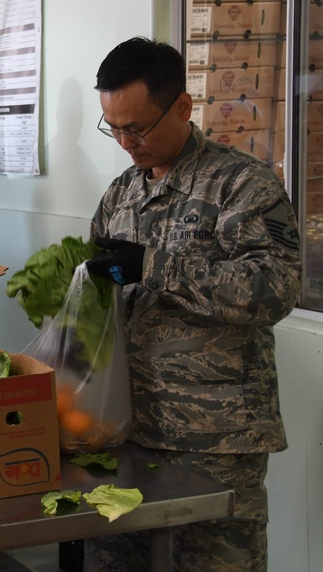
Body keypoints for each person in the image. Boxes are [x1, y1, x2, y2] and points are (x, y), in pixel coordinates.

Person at [83, 37, 301, 571]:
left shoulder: (242, 185)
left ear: (182, 106)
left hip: (215, 440)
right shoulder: (120, 194)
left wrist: (155, 268)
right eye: (113, 127)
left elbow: (276, 287)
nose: (126, 142)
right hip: (124, 430)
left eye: (137, 127)